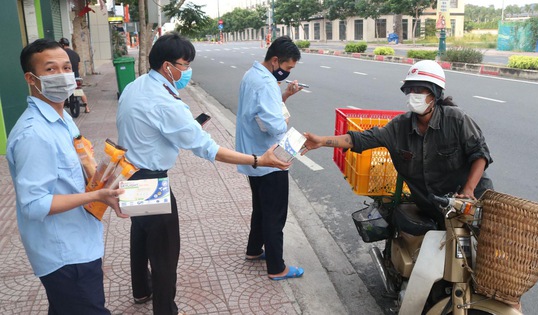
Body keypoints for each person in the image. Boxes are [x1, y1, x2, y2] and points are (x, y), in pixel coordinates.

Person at [116, 32, 290, 315]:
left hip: (131, 171)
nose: (187, 71)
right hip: (150, 178)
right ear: (166, 66)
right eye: (184, 65)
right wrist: (259, 159)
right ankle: (165, 309)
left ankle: (141, 289)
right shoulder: (164, 102)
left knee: (141, 234)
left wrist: (186, 130)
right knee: (164, 252)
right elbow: (209, 149)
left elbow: (150, 129)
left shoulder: (136, 86)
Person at [7, 38, 127, 315]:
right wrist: (96, 195)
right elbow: (35, 205)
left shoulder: (63, 119)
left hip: (80, 240)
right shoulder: (34, 134)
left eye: (66, 67)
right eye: (50, 69)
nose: (62, 75)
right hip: (65, 255)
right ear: (31, 78)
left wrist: (103, 182)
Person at [302, 60, 493, 228]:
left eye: (420, 90)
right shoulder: (399, 127)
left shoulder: (456, 119)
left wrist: (467, 190)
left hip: (471, 202)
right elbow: (360, 139)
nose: (413, 95)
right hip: (432, 206)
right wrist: (321, 141)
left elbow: (480, 153)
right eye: (411, 90)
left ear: (435, 94)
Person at [235, 35, 305, 280]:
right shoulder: (265, 83)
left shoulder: (252, 75)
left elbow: (261, 110)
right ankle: (277, 268)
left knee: (261, 208)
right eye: (287, 68)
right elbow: (275, 126)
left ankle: (254, 250)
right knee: (275, 214)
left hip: (254, 155)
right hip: (270, 159)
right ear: (275, 60)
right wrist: (284, 119)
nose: (287, 72)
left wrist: (284, 96)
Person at [59, 37, 91, 113]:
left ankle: (60, 110)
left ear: (62, 45)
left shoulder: (62, 54)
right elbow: (79, 66)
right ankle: (87, 107)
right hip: (76, 77)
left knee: (62, 91)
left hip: (66, 77)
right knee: (79, 90)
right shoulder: (75, 54)